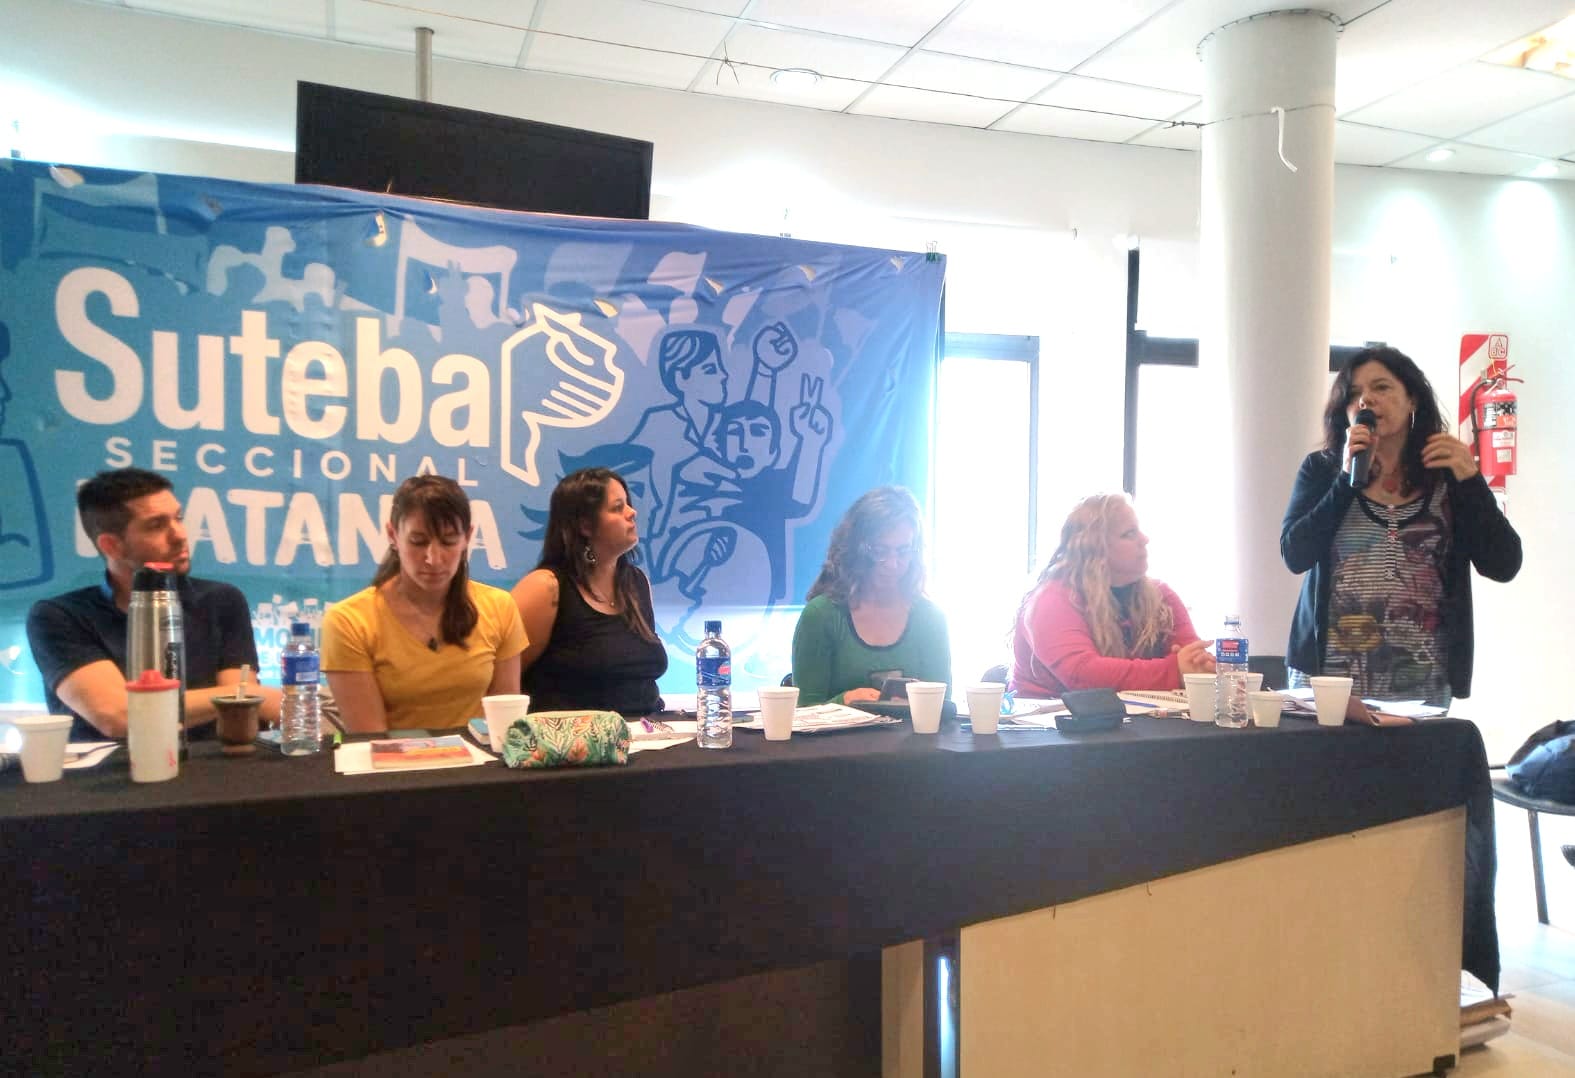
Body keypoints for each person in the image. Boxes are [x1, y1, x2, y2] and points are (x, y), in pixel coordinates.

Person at [1281, 346, 1521, 705]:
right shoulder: (1323, 470)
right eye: (1354, 394)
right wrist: (1346, 479)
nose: (1366, 400)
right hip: (1327, 682)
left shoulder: (1447, 476)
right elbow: (1295, 554)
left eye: (1381, 387)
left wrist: (1472, 481)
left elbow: (1504, 564)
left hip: (1422, 683)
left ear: (1412, 399)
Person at [25, 467, 279, 739]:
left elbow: (240, 712)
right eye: (156, 525)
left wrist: (245, 698)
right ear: (111, 546)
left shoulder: (221, 600)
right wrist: (248, 696)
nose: (180, 535)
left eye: (178, 518)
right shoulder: (59, 616)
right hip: (113, 764)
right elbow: (119, 715)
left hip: (210, 761)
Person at [322, 475, 525, 732]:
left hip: (479, 757)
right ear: (393, 535)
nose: (433, 558)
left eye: (448, 541)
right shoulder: (349, 621)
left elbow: (504, 729)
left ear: (467, 537)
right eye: (418, 542)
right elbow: (370, 738)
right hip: (392, 758)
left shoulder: (500, 607)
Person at [1011, 494, 1213, 697]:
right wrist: (1174, 670)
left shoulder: (1160, 595)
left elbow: (1194, 660)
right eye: (1129, 534)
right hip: (1051, 714)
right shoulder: (1051, 600)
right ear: (1095, 549)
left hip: (1135, 714)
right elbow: (1084, 675)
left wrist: (1196, 667)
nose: (1145, 539)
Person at [511, 467, 668, 715]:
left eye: (628, 504)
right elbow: (501, 682)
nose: (632, 512)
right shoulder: (545, 587)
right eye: (618, 507)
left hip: (649, 730)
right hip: (570, 736)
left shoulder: (637, 583)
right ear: (585, 525)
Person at [790, 486, 952, 706]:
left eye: (903, 551)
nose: (892, 564)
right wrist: (846, 700)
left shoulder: (930, 618)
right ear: (855, 549)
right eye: (880, 551)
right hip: (838, 731)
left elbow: (942, 707)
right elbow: (805, 711)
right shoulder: (822, 616)